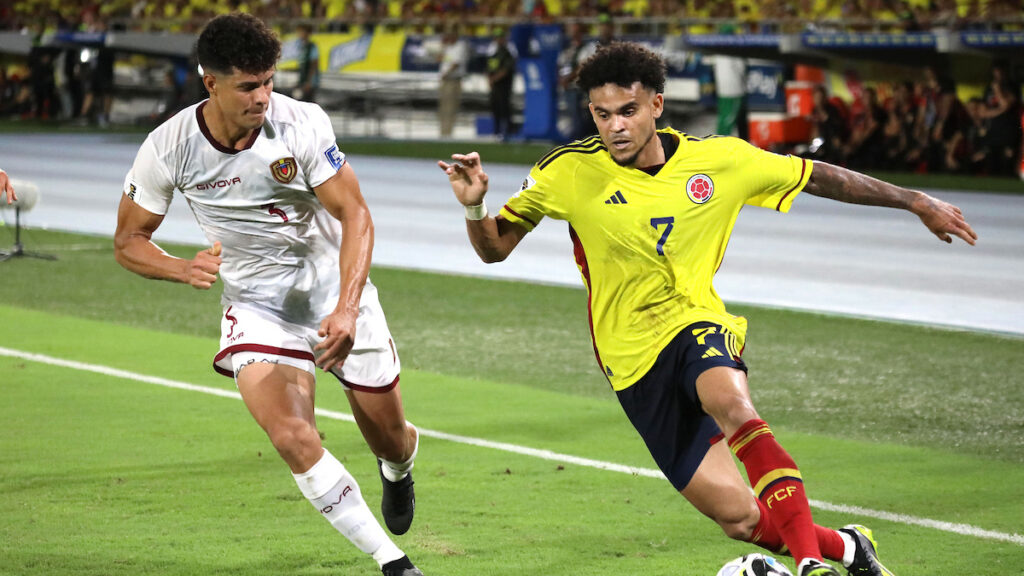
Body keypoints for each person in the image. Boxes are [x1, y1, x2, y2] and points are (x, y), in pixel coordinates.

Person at [438, 42, 976, 576]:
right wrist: (475, 205)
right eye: (602, 114)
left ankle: (811, 564)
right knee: (741, 518)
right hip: (630, 359)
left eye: (628, 111)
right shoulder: (569, 171)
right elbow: (495, 248)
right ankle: (847, 547)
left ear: (656, 106)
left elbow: (818, 176)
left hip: (697, 323)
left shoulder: (719, 160)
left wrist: (914, 200)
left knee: (734, 405)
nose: (615, 127)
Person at [113, 14, 423, 576]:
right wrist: (180, 269)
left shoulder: (301, 123)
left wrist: (348, 306)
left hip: (335, 295)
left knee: (391, 438)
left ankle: (398, 470)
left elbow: (355, 213)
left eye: (269, 81)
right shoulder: (168, 146)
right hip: (257, 307)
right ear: (211, 84)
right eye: (248, 86)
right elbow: (130, 240)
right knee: (291, 435)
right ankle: (393, 563)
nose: (264, 96)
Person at [437, 25, 468, 139]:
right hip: (445, 80)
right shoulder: (448, 47)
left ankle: (448, 133)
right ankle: (443, 132)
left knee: (450, 108)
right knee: (443, 108)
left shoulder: (460, 46)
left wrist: (446, 73)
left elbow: (456, 63)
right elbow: (439, 59)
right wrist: (443, 47)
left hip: (453, 80)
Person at [486, 26, 516, 141]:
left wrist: (493, 79)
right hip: (495, 85)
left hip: (504, 85)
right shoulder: (493, 52)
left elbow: (506, 70)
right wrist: (490, 79)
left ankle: (507, 132)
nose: (498, 40)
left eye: (500, 37)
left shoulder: (507, 52)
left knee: (505, 107)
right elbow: (489, 68)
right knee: (495, 107)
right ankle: (497, 131)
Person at [293, 23, 320, 103]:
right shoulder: (302, 46)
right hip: (303, 79)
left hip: (310, 81)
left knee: (309, 102)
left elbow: (314, 64)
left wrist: (309, 81)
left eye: (302, 32)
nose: (300, 34)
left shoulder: (312, 46)